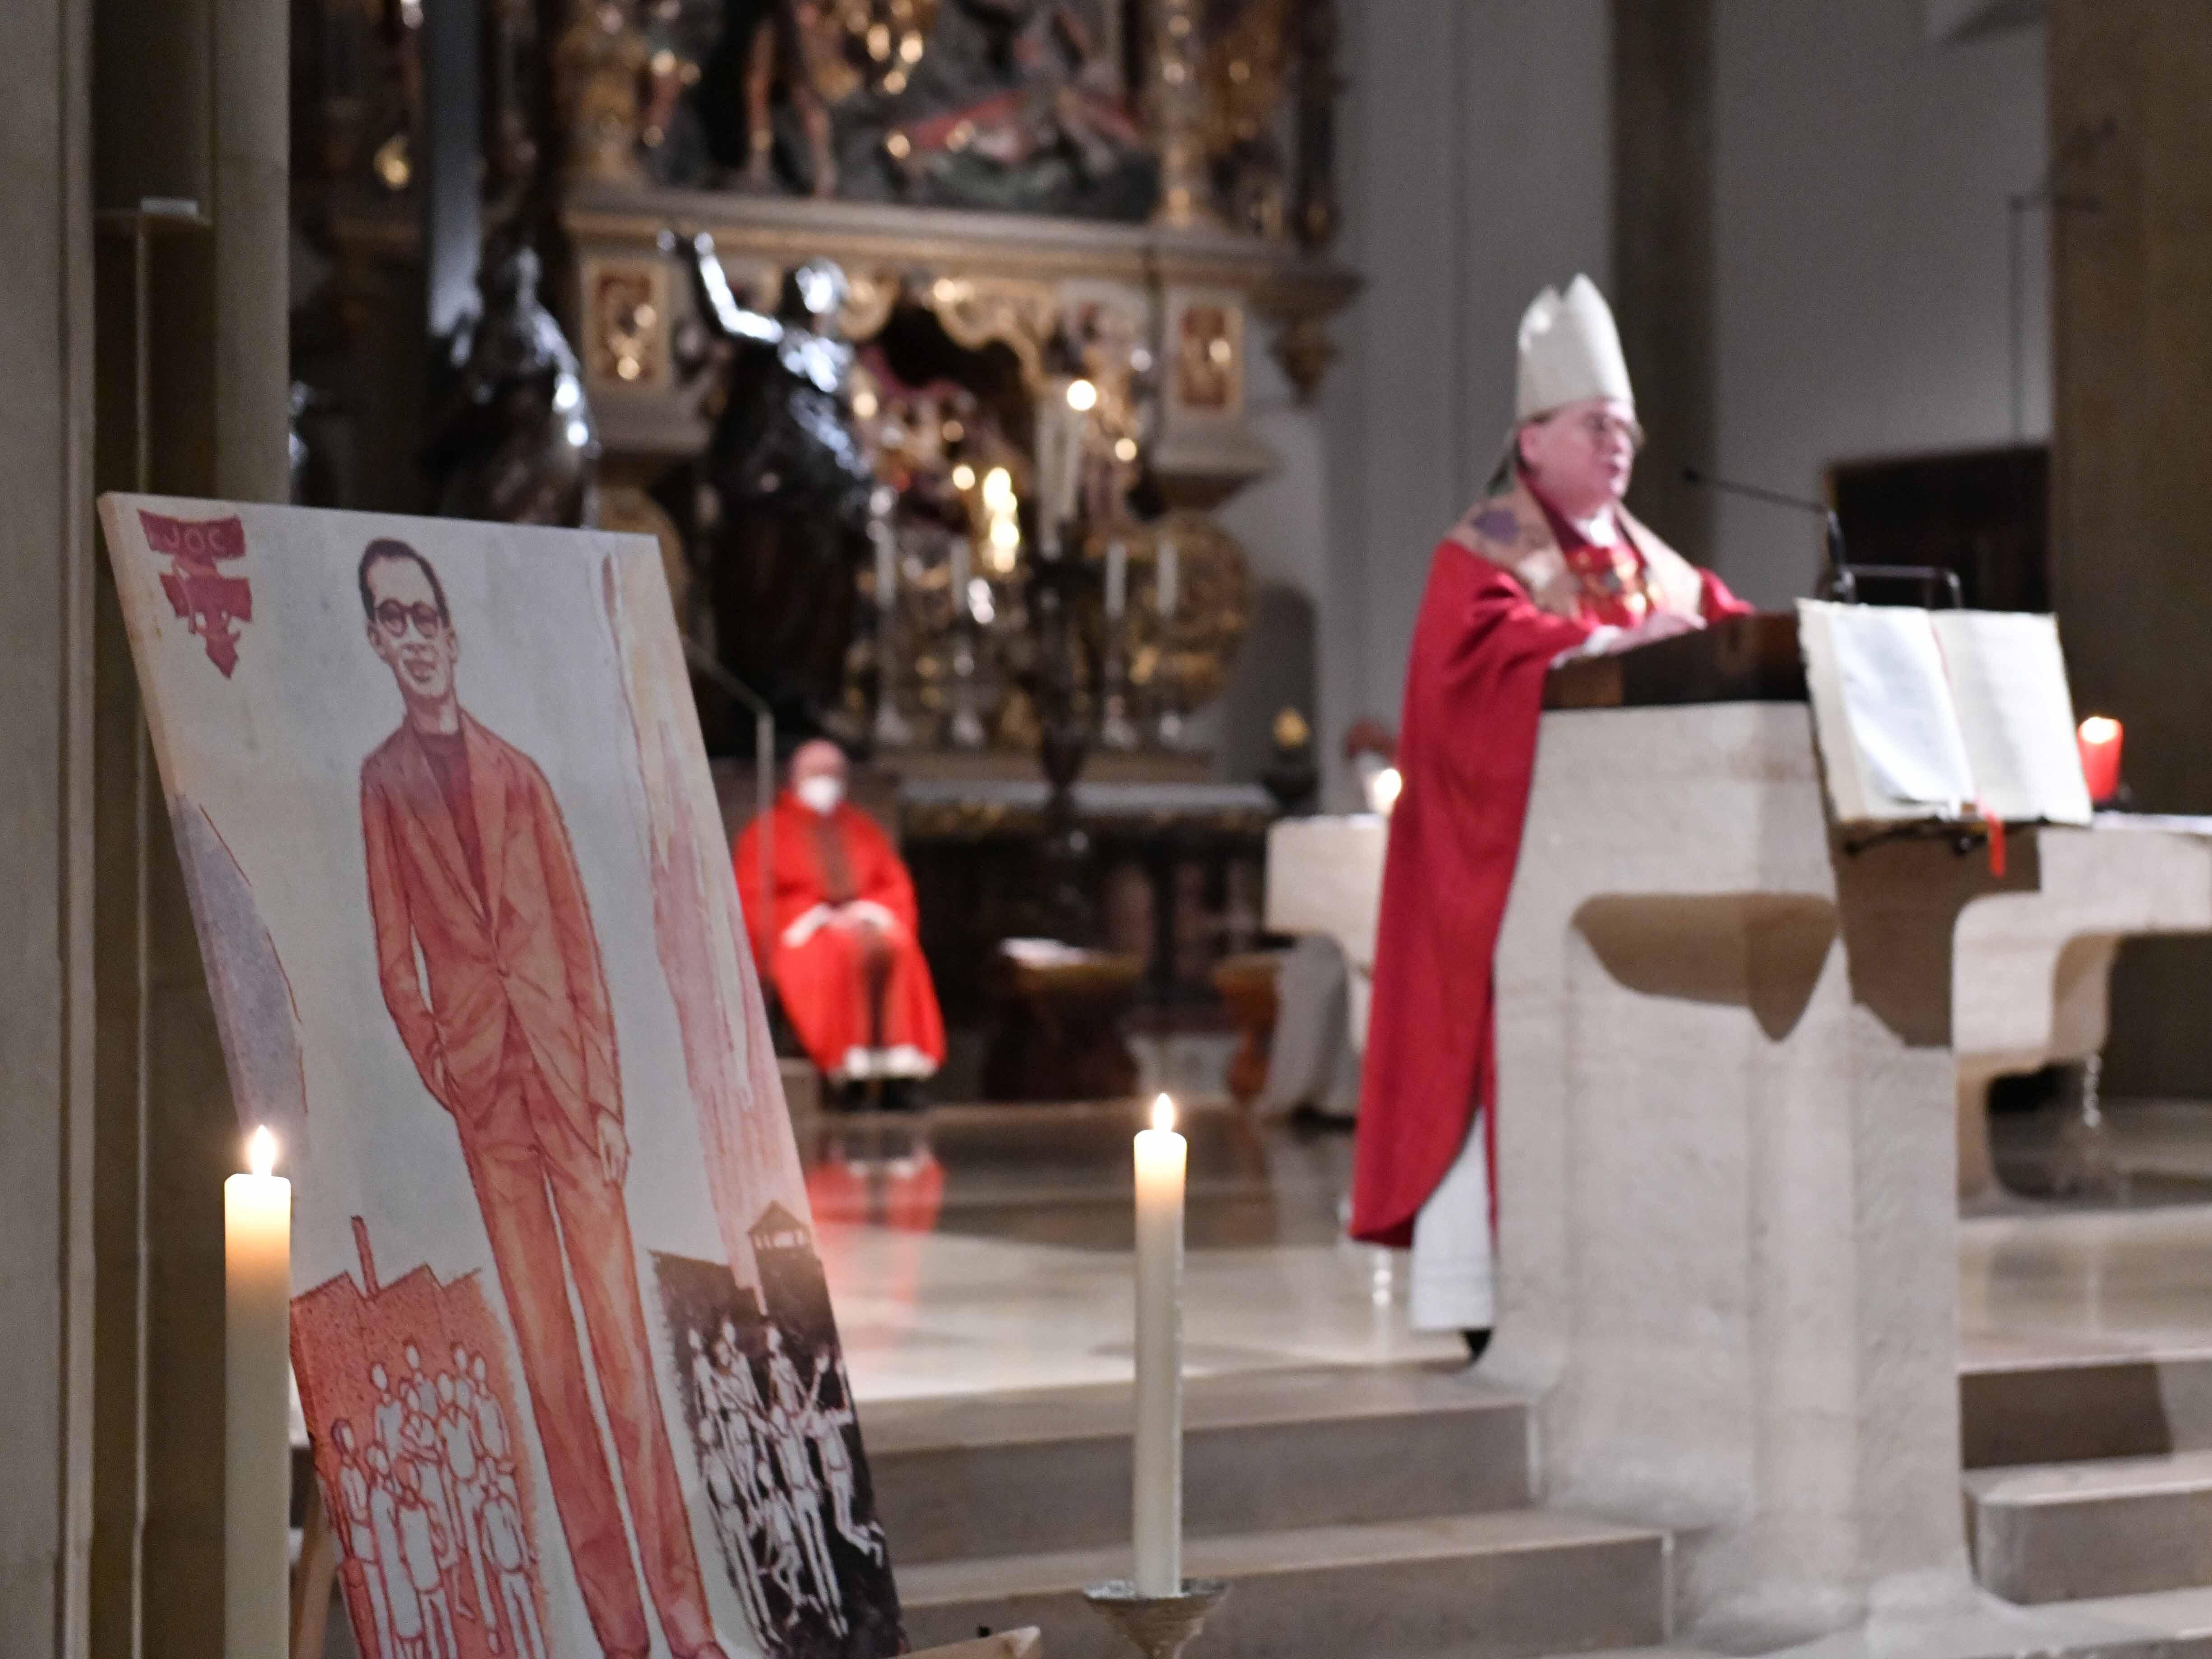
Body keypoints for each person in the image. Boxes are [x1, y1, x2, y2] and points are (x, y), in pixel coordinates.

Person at [1351, 277, 1752, 1362]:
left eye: (1626, 428)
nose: (1618, 445)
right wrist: (1590, 648)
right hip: (1511, 880)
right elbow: (1465, 680)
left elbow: (1735, 640)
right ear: (1532, 438)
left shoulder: (1649, 558)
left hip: (1637, 874)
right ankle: (1490, 1293)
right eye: (1595, 425)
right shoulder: (1480, 551)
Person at [356, 538, 727, 1659]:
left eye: (428, 615)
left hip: (570, 1094)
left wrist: (607, 1092)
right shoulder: (379, 781)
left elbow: (577, 941)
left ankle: (683, 1621)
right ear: (378, 640)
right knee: (556, 1377)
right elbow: (389, 955)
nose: (416, 636)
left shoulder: (522, 771)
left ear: (453, 634)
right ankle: (620, 1636)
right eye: (394, 620)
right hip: (491, 1107)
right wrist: (446, 1067)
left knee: (622, 1361)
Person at [733, 739, 945, 1105]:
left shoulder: (861, 829)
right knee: (837, 953)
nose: (825, 782)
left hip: (861, 919)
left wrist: (868, 913)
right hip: (804, 931)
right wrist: (816, 917)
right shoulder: (767, 832)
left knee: (898, 947)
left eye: (832, 774)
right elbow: (753, 896)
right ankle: (845, 1075)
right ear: (795, 778)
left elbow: (893, 885)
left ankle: (900, 1077)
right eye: (816, 774)